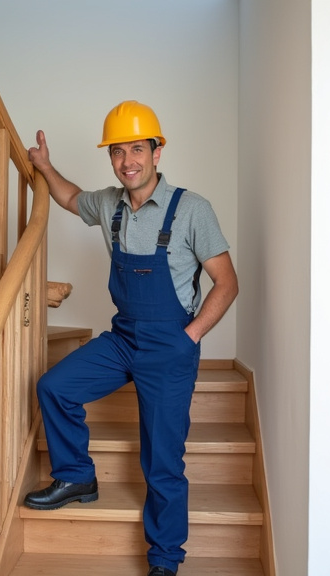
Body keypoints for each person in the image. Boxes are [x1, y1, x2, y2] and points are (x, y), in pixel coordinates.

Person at [23, 101, 238, 576]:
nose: (127, 161)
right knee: (54, 387)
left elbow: (227, 282)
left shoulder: (192, 210)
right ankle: (77, 477)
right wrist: (44, 166)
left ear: (157, 152)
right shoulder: (109, 203)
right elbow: (69, 197)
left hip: (170, 346)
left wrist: (191, 337)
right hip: (123, 338)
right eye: (118, 152)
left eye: (137, 149)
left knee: (162, 461)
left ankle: (164, 560)